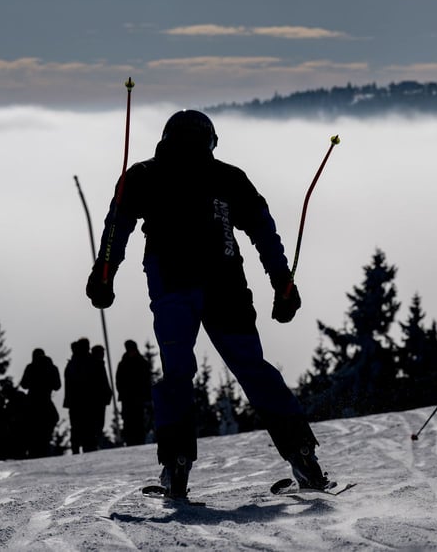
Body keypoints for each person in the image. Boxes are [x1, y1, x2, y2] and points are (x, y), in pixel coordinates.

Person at [85, 109, 329, 499]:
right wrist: (282, 281)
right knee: (253, 369)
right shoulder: (229, 177)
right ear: (210, 141)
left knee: (177, 374)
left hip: (171, 285)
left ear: (166, 138)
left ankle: (176, 465)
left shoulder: (143, 174)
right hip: (226, 285)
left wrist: (105, 272)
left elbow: (119, 224)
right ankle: (303, 455)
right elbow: (264, 229)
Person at [20, 348, 62, 458]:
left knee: (33, 432)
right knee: (47, 430)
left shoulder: (31, 367)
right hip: (46, 402)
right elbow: (57, 386)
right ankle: (44, 450)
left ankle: (34, 452)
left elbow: (23, 384)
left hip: (32, 404)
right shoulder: (52, 368)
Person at [63, 338, 99, 454]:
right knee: (88, 428)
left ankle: (77, 449)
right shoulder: (90, 361)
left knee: (77, 428)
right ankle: (87, 448)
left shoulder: (73, 363)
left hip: (76, 402)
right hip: (86, 401)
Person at [116, 339, 153, 446]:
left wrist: (147, 397)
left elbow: (147, 381)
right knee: (129, 423)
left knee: (139, 423)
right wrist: (123, 393)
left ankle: (140, 441)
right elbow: (119, 381)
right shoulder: (123, 364)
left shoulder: (142, 363)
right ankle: (130, 442)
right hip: (127, 399)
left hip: (139, 399)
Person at [90, 344, 114, 447]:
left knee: (99, 423)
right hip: (97, 399)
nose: (103, 354)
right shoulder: (96, 364)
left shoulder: (98, 363)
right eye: (101, 353)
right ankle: (96, 443)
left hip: (100, 399)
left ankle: (97, 442)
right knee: (97, 423)